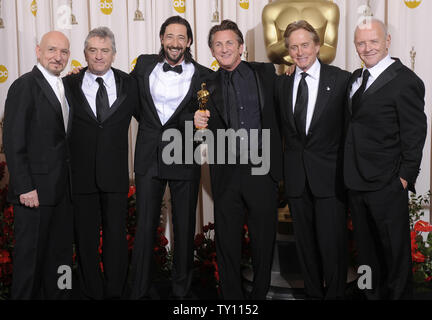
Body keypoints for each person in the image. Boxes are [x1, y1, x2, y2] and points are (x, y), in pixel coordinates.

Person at [194, 20, 283, 300]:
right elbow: (185, 118)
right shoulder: (205, 85)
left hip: (261, 168)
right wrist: (195, 120)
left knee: (262, 240)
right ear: (211, 50)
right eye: (218, 44)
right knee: (227, 242)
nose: (224, 48)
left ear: (241, 47)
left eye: (230, 42)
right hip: (226, 173)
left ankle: (259, 296)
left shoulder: (267, 73)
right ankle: (232, 299)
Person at [129, 15, 212, 300]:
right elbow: (129, 98)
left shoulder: (204, 75)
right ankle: (138, 290)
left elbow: (209, 115)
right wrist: (82, 77)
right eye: (170, 36)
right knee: (144, 227)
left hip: (184, 156)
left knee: (184, 226)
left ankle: (181, 292)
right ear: (162, 39)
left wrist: (191, 120)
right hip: (149, 156)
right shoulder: (142, 65)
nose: (175, 43)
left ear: (189, 42)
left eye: (181, 38)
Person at [344, 18, 427, 299]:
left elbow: (415, 135)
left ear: (387, 41)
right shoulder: (356, 78)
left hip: (387, 185)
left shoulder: (406, 81)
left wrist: (403, 178)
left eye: (373, 41)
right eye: (361, 43)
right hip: (356, 183)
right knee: (366, 255)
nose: (367, 48)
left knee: (394, 256)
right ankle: (370, 297)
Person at [275, 20, 350, 299]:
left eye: (305, 45)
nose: (300, 51)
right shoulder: (282, 84)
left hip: (330, 179)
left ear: (317, 45)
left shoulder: (341, 80)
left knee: (333, 247)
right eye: (293, 47)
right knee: (305, 248)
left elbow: (350, 130)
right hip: (296, 180)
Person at [63, 27, 139, 300]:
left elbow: (153, 120)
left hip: (115, 177)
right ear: (84, 54)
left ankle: (115, 291)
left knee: (116, 239)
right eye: (92, 50)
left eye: (104, 50)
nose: (98, 56)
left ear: (114, 54)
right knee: (85, 240)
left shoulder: (130, 85)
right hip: (80, 177)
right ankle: (91, 292)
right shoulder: (67, 85)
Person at [3, 31, 73, 299]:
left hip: (62, 192)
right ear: (38, 51)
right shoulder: (24, 86)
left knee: (60, 261)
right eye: (52, 50)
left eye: (64, 51)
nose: (58, 56)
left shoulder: (65, 86)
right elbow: (13, 140)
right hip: (34, 193)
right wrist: (24, 187)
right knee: (29, 264)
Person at [262, 0, 340, 72]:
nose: (300, 52)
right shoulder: (271, 10)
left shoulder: (330, 9)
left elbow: (330, 50)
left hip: (319, 76)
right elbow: (271, 53)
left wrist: (302, 61)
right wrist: (291, 41)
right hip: (285, 76)